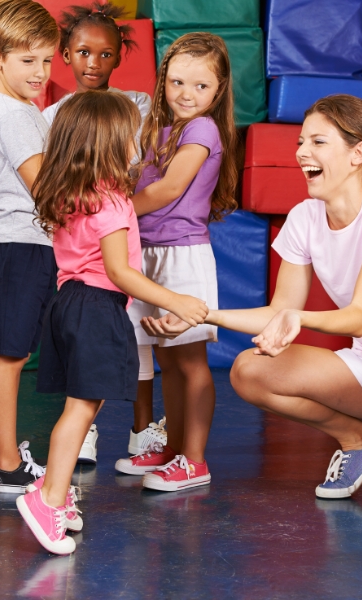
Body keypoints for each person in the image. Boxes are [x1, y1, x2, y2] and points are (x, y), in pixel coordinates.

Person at [143, 94, 362, 535]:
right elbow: (280, 311)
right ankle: (358, 440)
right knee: (249, 370)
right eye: (301, 142)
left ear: (358, 154)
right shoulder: (304, 216)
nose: (302, 152)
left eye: (318, 142)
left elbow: (359, 317)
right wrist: (204, 315)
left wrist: (300, 320)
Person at [16, 90, 208, 555]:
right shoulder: (113, 200)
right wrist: (176, 300)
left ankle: (53, 494)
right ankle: (48, 500)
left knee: (83, 406)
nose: (138, 145)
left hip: (67, 303)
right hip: (97, 306)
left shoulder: (71, 193)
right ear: (110, 142)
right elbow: (121, 272)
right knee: (81, 409)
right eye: (132, 136)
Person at [113, 32, 238, 492]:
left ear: (219, 90)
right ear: (164, 79)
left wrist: (113, 209)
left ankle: (196, 459)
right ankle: (174, 449)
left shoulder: (202, 130)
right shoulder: (161, 130)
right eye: (178, 82)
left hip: (182, 255)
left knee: (190, 361)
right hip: (149, 250)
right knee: (168, 358)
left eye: (200, 87)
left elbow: (168, 190)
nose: (187, 95)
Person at [41, 0, 159, 465]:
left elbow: (139, 172)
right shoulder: (58, 118)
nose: (94, 63)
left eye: (106, 54)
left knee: (128, 348)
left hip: (109, 254)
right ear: (66, 55)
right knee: (90, 372)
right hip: (98, 267)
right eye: (84, 52)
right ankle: (62, 474)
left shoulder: (136, 106)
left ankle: (137, 431)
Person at [0, 0, 59, 493]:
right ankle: (7, 465)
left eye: (47, 60)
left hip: (27, 246)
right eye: (27, 60)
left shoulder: (24, 110)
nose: (40, 72)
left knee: (15, 353)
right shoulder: (12, 115)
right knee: (8, 357)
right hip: (17, 247)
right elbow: (45, 187)